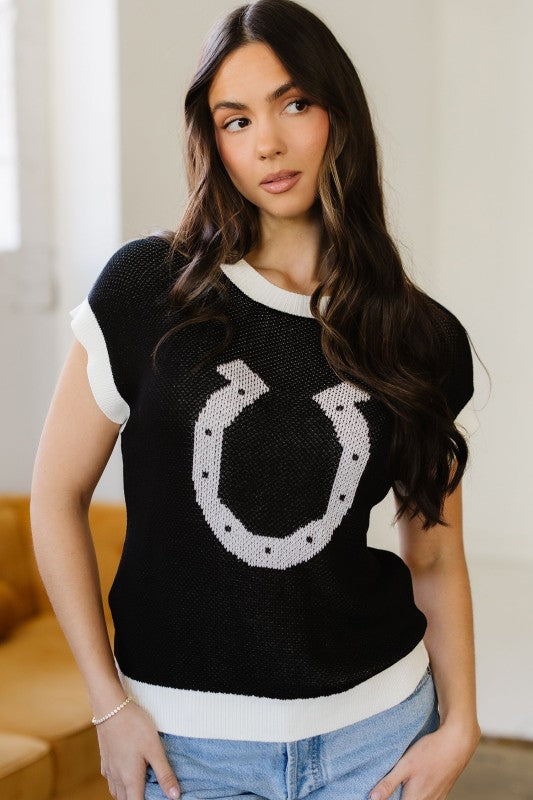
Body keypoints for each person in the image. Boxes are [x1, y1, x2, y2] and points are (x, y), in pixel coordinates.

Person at [30, 1, 483, 799]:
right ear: (213, 143)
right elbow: (55, 498)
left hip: (376, 735)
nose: (267, 142)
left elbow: (435, 554)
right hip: (185, 753)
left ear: (338, 113)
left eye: (293, 104)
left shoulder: (419, 336)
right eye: (235, 120)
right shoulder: (146, 292)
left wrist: (460, 725)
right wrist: (108, 705)